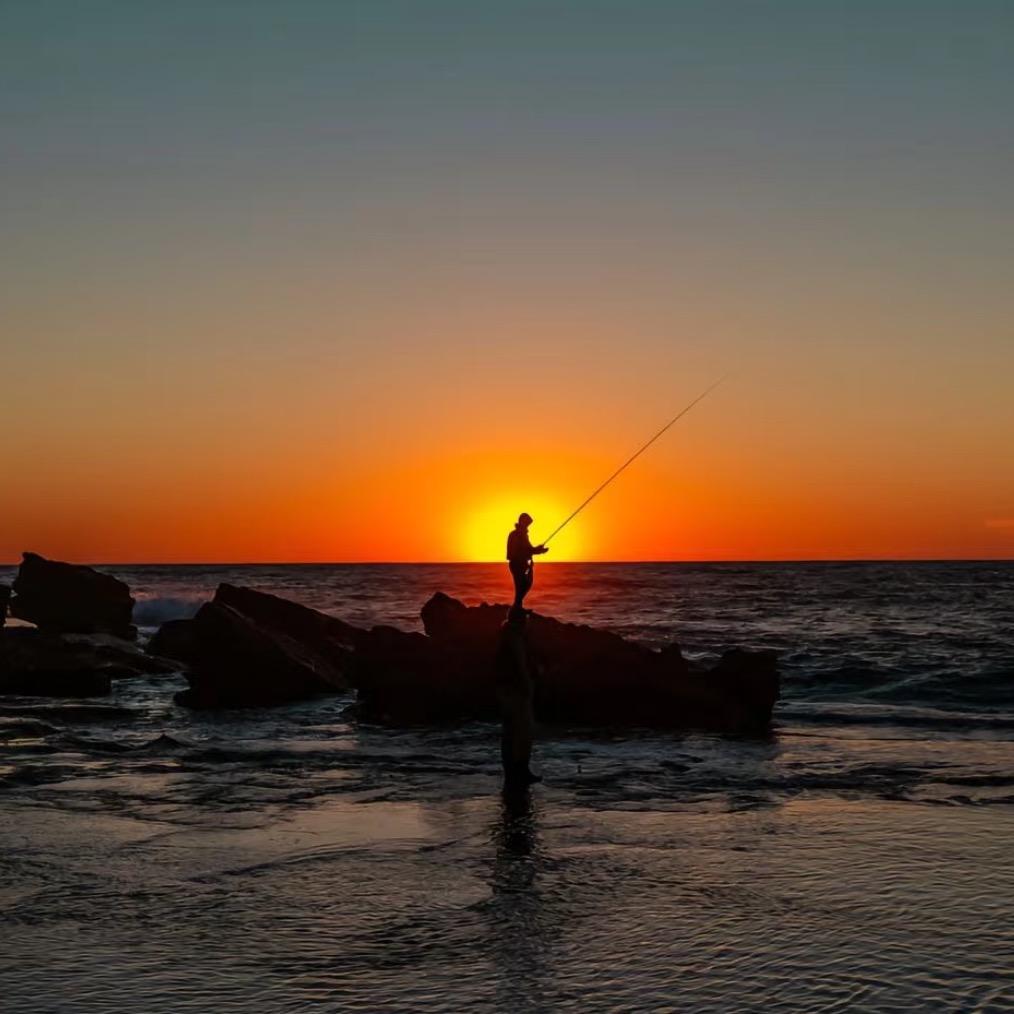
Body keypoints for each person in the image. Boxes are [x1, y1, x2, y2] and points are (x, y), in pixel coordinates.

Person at [506, 513, 548, 610]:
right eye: (527, 524)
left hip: (522, 564)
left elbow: (529, 549)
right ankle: (516, 609)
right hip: (517, 564)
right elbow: (524, 550)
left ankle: (517, 607)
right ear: (522, 522)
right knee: (522, 586)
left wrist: (539, 550)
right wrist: (538, 550)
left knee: (524, 585)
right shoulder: (516, 534)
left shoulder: (523, 535)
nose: (527, 526)